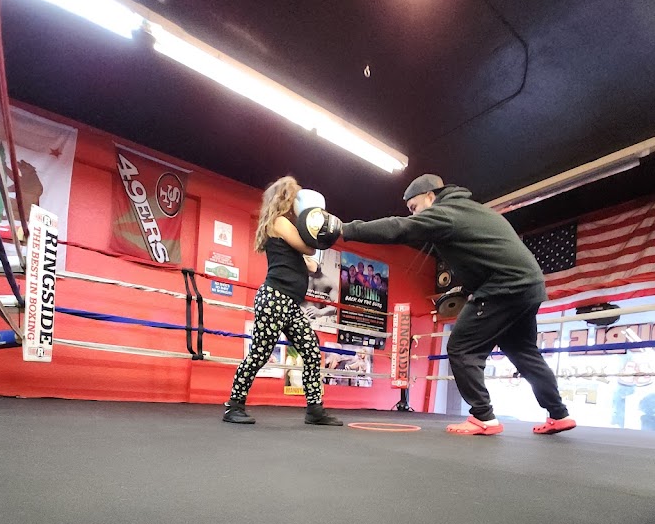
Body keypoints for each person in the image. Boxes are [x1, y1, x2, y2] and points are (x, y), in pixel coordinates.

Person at [336, 173, 576, 436]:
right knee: (523, 351)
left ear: (430, 196)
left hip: (505, 286)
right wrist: (471, 290)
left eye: (414, 207)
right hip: (529, 286)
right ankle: (559, 414)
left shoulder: (445, 212)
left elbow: (400, 227)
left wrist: (345, 230)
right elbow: (487, 256)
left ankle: (483, 416)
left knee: (462, 348)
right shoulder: (470, 210)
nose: (414, 215)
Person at [222, 175, 342, 426]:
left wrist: (315, 240)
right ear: (287, 199)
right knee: (260, 353)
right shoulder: (279, 222)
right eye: (296, 198)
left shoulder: (287, 230)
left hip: (290, 304)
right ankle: (233, 406)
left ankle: (315, 410)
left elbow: (310, 263)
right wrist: (317, 233)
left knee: (311, 350)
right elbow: (308, 248)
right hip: (275, 299)